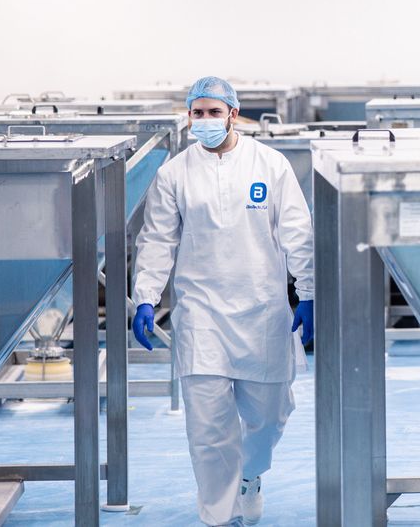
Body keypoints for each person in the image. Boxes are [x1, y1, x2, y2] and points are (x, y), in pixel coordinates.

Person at [130, 76, 314, 527]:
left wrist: (307, 292)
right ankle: (221, 516)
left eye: (215, 112)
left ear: (234, 114)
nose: (206, 120)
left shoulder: (270, 166)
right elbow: (157, 240)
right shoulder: (174, 173)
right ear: (188, 116)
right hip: (201, 315)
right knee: (209, 430)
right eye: (198, 113)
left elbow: (298, 234)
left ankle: (250, 475)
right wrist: (146, 298)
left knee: (269, 416)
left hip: (262, 311)